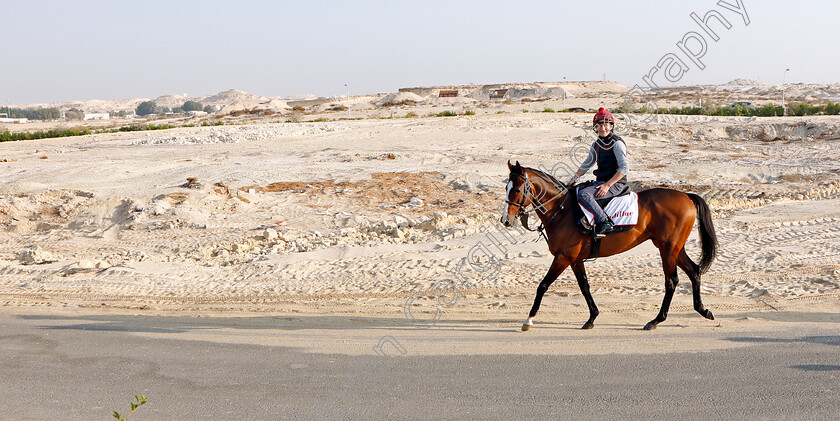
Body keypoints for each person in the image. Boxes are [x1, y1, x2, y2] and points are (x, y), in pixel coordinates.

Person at [568, 107, 629, 235]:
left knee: (584, 194)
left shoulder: (617, 143)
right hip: (601, 181)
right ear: (595, 128)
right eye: (599, 125)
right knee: (576, 190)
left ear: (611, 126)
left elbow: (624, 168)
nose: (602, 128)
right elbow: (587, 164)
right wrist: (573, 179)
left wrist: (607, 185)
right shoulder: (596, 144)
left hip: (615, 184)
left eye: (606, 124)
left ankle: (604, 222)